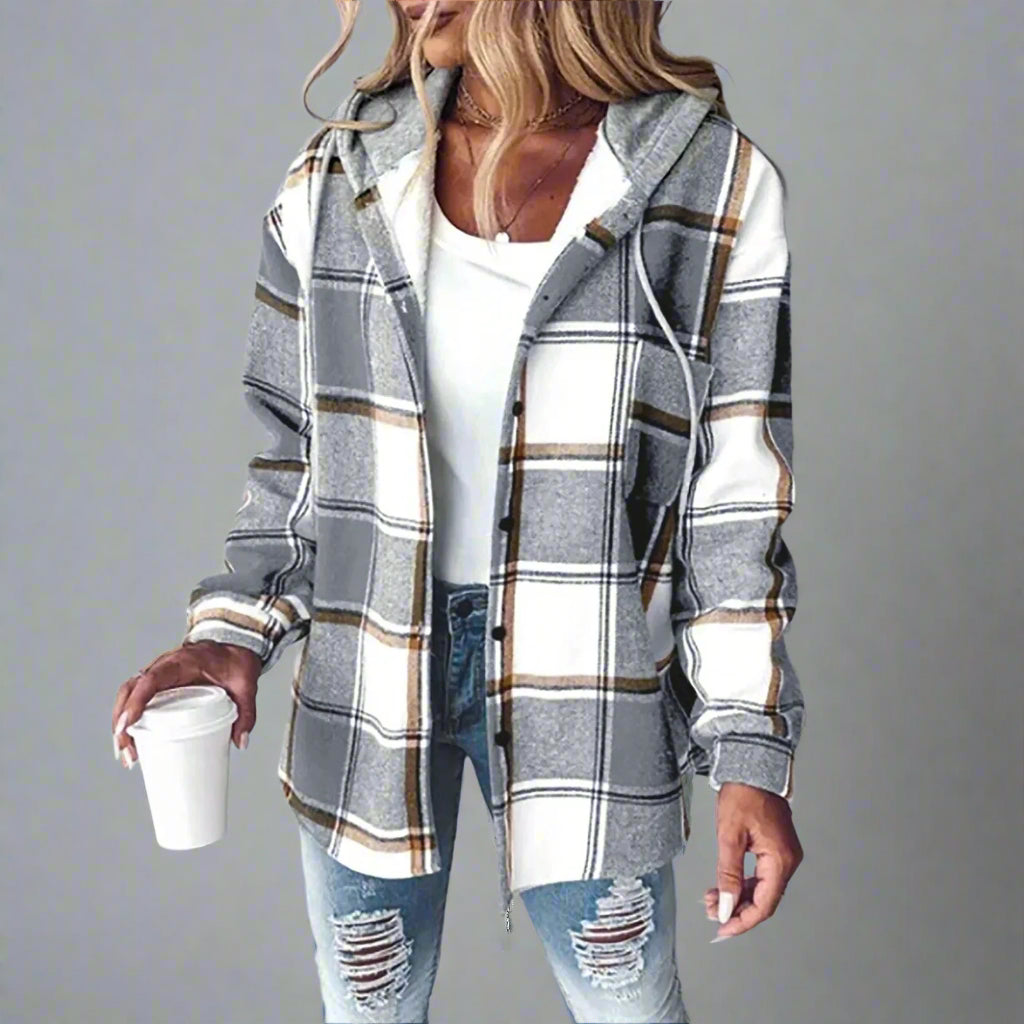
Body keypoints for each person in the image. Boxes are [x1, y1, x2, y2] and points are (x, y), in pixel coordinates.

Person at [111, 2, 806, 1021]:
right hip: (372, 675)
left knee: (630, 1008)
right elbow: (296, 459)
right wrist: (227, 635)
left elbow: (732, 499)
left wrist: (748, 751)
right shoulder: (340, 177)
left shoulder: (709, 184)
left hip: (589, 682)